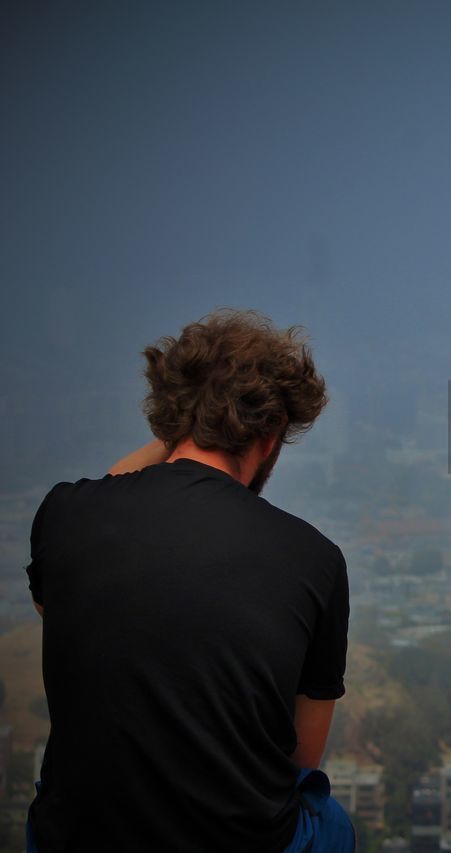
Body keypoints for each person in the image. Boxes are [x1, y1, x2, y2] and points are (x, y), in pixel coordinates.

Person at [24, 310, 353, 852]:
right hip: (235, 841)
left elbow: (61, 599)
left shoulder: (65, 515)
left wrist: (179, 432)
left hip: (76, 837)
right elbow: (299, 759)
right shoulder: (315, 559)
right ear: (271, 436)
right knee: (325, 814)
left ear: (170, 415)